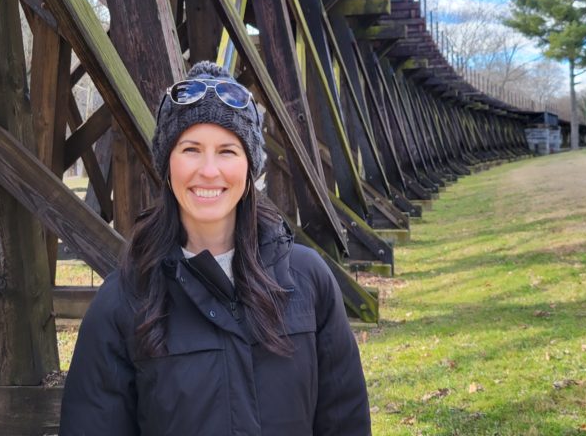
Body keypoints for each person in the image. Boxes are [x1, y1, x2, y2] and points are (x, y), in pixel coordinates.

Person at [60, 61, 371, 435]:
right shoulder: (123, 302)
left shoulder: (309, 282)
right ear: (167, 164)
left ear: (249, 167)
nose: (209, 171)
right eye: (191, 149)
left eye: (227, 151)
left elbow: (345, 424)